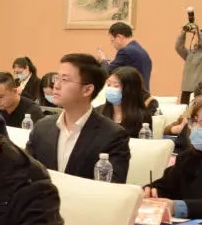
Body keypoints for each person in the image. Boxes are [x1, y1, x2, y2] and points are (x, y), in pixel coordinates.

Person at [26, 53, 130, 183]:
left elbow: (111, 188)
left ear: (87, 90)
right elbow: (25, 174)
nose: (56, 85)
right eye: (57, 78)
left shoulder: (113, 136)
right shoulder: (42, 128)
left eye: (65, 80)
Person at [97, 66, 158, 138]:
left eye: (116, 86)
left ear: (129, 90)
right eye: (108, 84)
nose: (110, 89)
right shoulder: (98, 112)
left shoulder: (142, 118)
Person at [99, 22, 152, 91]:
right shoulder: (140, 50)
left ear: (119, 37)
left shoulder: (126, 51)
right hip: (143, 93)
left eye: (112, 41)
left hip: (132, 94)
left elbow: (107, 73)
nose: (112, 44)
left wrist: (103, 60)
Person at [176, 24, 202, 104]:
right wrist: (183, 33)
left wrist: (198, 32)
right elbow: (179, 47)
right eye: (198, 36)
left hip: (200, 90)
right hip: (186, 90)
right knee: (184, 110)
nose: (199, 38)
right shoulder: (190, 53)